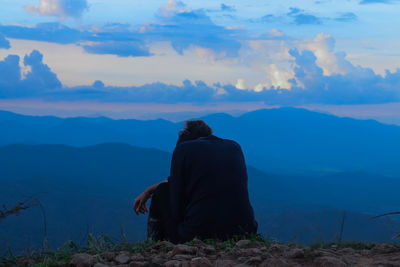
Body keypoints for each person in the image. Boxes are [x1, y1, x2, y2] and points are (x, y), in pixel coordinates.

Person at [133, 120, 257, 243]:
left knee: (162, 192)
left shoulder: (183, 149)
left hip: (199, 235)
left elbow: (176, 206)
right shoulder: (234, 146)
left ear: (184, 138)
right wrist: (149, 190)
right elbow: (191, 179)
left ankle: (155, 244)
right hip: (245, 231)